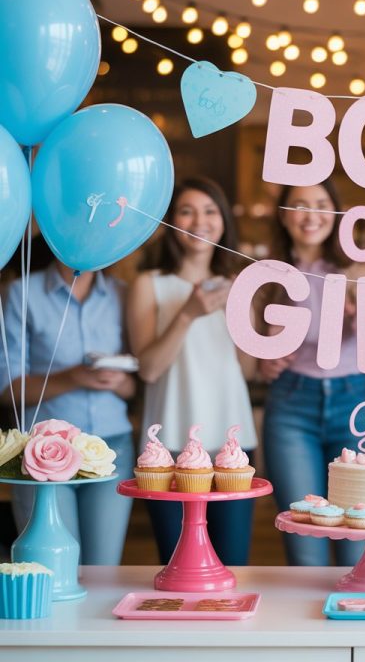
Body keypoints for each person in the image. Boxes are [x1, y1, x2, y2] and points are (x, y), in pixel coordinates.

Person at [126, 176, 257, 566]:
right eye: (186, 211)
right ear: (171, 223)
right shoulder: (148, 285)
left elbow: (246, 371)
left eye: (209, 210)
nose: (199, 220)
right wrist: (188, 313)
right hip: (167, 448)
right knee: (177, 564)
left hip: (233, 447)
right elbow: (148, 370)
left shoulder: (240, 286)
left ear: (223, 221)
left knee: (232, 563)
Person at [259, 180, 365, 566]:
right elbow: (252, 355)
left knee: (356, 539)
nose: (311, 216)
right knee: (305, 540)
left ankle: (353, 619)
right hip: (292, 404)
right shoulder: (266, 275)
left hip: (353, 399)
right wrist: (264, 360)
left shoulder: (361, 268)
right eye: (300, 205)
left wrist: (361, 315)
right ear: (284, 214)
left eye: (321, 204)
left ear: (337, 211)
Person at [0, 255, 136, 565]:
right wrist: (72, 377)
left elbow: (133, 388)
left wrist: (115, 380)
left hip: (112, 448)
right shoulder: (22, 293)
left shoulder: (121, 293)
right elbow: (8, 391)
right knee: (51, 569)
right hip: (42, 453)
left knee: (103, 569)